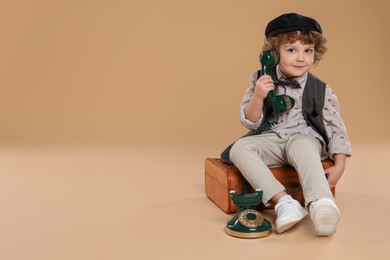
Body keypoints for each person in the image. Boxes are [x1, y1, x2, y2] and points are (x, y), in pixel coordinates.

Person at [222, 13, 352, 236]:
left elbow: (336, 127)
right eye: (292, 50)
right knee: (240, 148)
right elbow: (250, 122)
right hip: (271, 139)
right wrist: (259, 96)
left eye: (307, 51)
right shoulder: (260, 79)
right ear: (273, 53)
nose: (301, 58)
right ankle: (284, 203)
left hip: (304, 139)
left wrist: (339, 165)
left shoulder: (321, 90)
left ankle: (322, 205)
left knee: (301, 145)